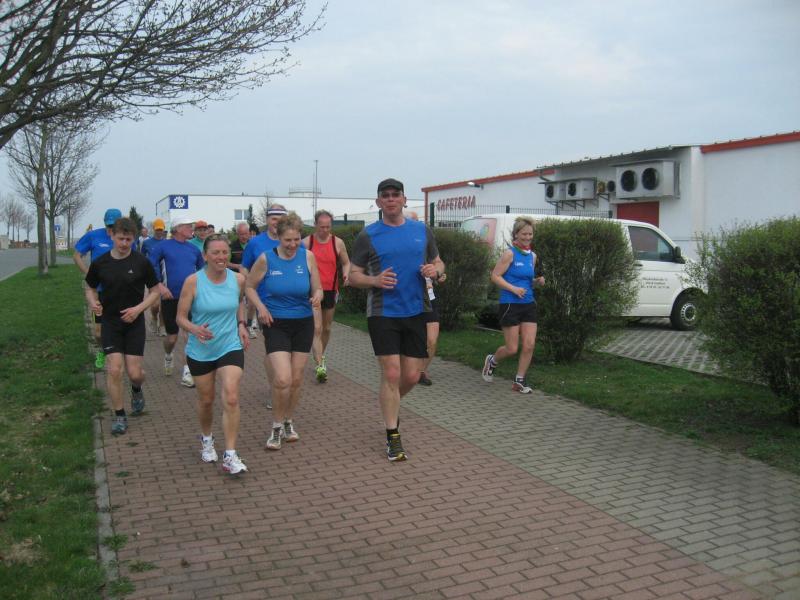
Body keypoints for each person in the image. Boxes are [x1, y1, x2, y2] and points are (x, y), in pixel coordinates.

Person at [349, 178, 445, 462]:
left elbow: (439, 262)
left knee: (412, 376)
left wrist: (436, 271)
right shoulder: (368, 235)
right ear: (379, 202)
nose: (391, 199)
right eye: (385, 196)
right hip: (383, 313)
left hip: (416, 310)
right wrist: (374, 280)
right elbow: (352, 276)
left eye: (395, 195)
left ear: (404, 199)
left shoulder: (421, 230)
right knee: (391, 374)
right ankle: (392, 434)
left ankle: (389, 403)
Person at [245, 212, 322, 451]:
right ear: (278, 237)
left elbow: (318, 288)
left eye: (296, 239)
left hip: (303, 323)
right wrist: (260, 307)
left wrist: (318, 296)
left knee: (296, 380)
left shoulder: (307, 256)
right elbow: (249, 287)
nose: (292, 245)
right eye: (288, 240)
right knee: (282, 378)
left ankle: (288, 421)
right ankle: (276, 426)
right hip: (275, 322)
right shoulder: (266, 259)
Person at [177, 234, 250, 474]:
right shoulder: (193, 282)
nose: (221, 257)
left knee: (231, 396)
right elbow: (180, 318)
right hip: (201, 349)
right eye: (215, 253)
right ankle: (207, 439)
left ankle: (230, 454)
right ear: (205, 255)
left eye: (225, 252)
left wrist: (241, 324)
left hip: (229, 345)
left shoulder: (238, 279)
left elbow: (240, 303)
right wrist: (194, 329)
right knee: (206, 400)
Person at [85, 217, 160, 435]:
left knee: (135, 373)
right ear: (112, 236)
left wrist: (138, 309)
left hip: (134, 323)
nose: (124, 243)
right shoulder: (100, 263)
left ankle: (136, 389)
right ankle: (119, 415)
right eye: (120, 239)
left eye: (128, 239)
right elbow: (90, 287)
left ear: (134, 238)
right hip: (110, 322)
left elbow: (155, 291)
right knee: (114, 369)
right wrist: (92, 302)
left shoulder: (141, 262)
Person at [482, 215, 545, 393]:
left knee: (529, 344)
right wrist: (513, 289)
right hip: (510, 304)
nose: (527, 237)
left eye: (530, 234)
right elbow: (495, 276)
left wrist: (537, 281)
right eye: (524, 234)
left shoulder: (532, 256)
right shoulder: (509, 254)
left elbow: (527, 280)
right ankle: (492, 361)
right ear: (516, 234)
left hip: (528, 303)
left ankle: (519, 381)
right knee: (511, 348)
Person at [148, 215, 205, 387]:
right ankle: (168, 355)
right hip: (170, 297)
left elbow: (202, 271)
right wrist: (159, 285)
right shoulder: (162, 247)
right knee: (172, 338)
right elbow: (150, 266)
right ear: (178, 228)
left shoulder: (193, 249)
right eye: (188, 226)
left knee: (190, 334)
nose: (191, 229)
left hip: (191, 298)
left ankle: (188, 371)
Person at [239, 204, 287, 407]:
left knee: (289, 352)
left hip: (293, 304)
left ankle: (284, 383)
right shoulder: (255, 243)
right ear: (267, 220)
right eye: (274, 218)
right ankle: (274, 389)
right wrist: (248, 286)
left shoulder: (293, 241)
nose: (277, 222)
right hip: (265, 303)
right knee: (273, 349)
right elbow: (244, 267)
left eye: (281, 219)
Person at [302, 209, 351, 383]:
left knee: (327, 328)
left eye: (328, 227)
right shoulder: (306, 242)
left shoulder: (337, 242)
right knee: (317, 328)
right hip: (313, 290)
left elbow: (346, 262)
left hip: (330, 289)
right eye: (322, 227)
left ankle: (321, 355)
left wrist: (346, 274)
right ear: (315, 225)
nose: (325, 230)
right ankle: (320, 364)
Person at [73, 208, 123, 370]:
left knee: (119, 327)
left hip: (119, 291)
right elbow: (77, 255)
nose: (110, 229)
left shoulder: (125, 238)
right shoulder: (93, 236)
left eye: (114, 226)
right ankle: (102, 351)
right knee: (98, 332)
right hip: (98, 291)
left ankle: (116, 355)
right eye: (108, 225)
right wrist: (89, 274)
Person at [405, 211, 445, 386]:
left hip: (429, 297)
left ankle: (421, 371)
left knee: (432, 340)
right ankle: (409, 370)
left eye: (417, 221)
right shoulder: (400, 248)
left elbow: (439, 265)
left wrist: (438, 274)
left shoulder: (425, 244)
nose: (416, 225)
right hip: (408, 299)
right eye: (411, 221)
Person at [229, 222, 256, 338]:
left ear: (249, 233)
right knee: (237, 303)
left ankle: (249, 325)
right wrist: (238, 266)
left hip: (252, 278)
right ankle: (238, 325)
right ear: (237, 234)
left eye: (245, 234)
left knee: (252, 303)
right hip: (236, 279)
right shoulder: (231, 246)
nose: (243, 236)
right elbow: (225, 263)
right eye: (241, 234)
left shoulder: (254, 244)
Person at [141, 218, 168, 336]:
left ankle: (162, 326)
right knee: (155, 305)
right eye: (157, 230)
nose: (159, 232)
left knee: (164, 305)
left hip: (166, 277)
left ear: (164, 229)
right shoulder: (147, 243)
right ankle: (153, 317)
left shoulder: (167, 243)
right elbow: (142, 257)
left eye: (161, 230)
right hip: (153, 276)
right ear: (153, 229)